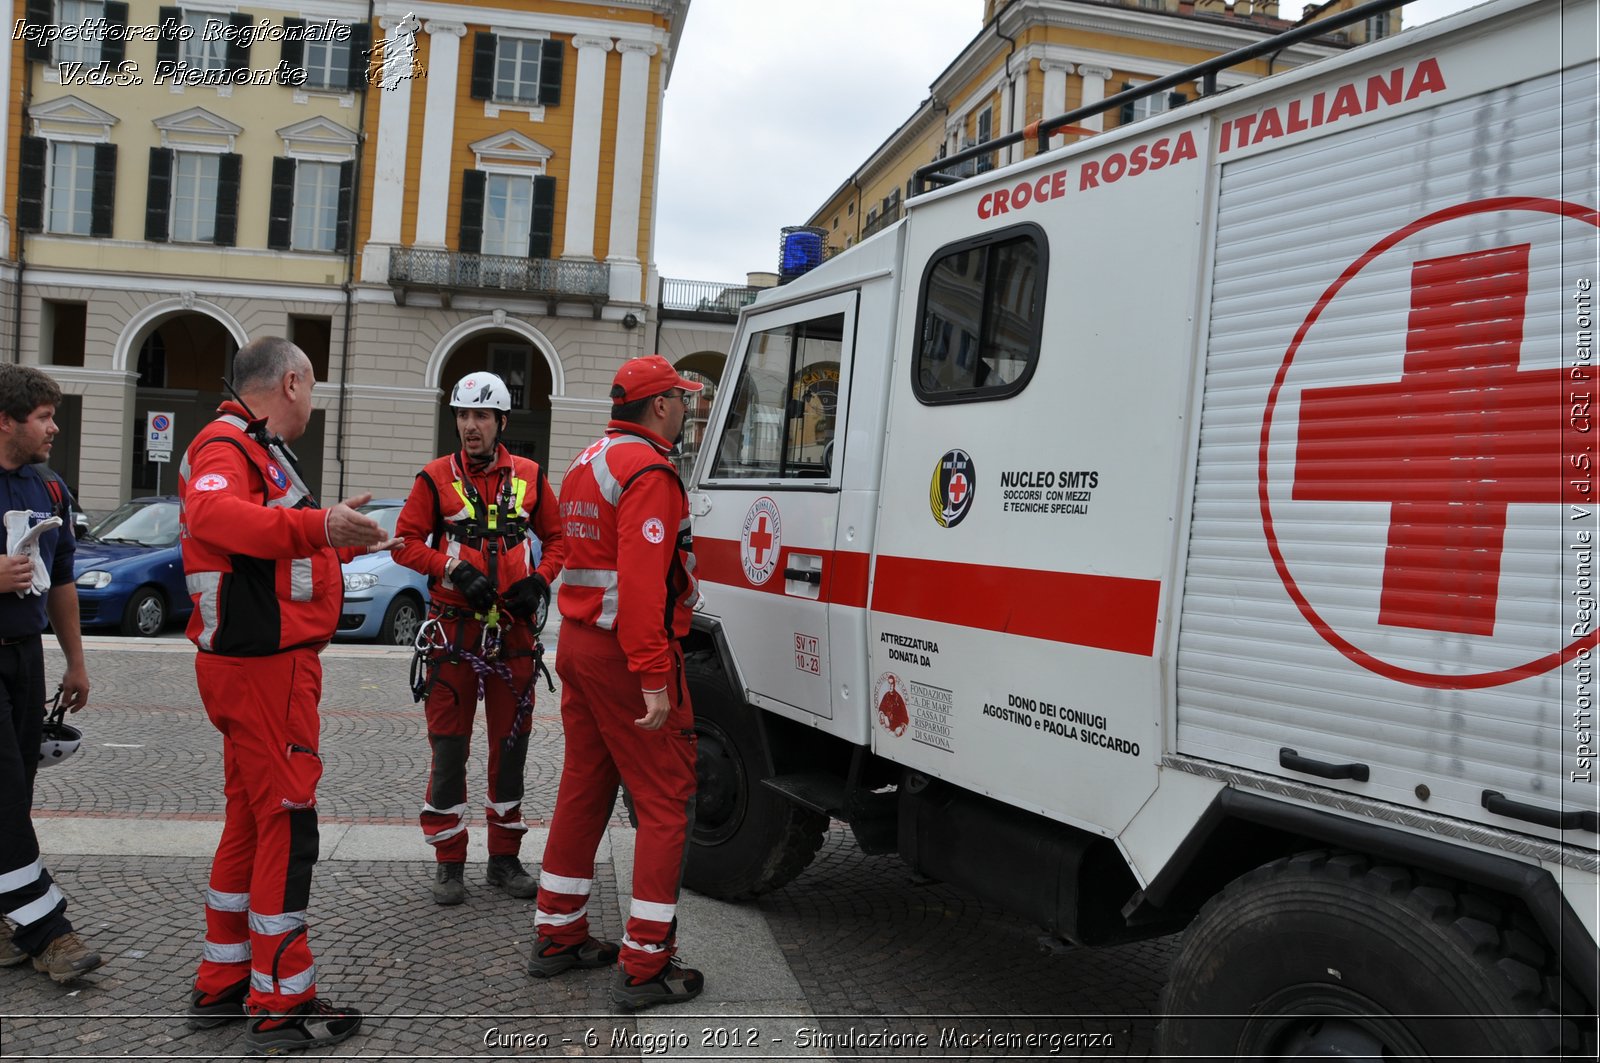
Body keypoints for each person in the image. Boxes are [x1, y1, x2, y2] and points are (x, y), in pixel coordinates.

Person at [178, 337, 387, 1056]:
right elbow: (215, 521)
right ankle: (280, 998)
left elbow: (271, 549)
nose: (313, 398)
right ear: (292, 382)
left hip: (256, 662)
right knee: (287, 822)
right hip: (266, 668)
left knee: (251, 815)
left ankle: (224, 976)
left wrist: (339, 536)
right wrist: (318, 524)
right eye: (313, 386)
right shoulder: (226, 444)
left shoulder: (252, 446)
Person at [531, 354, 705, 1011]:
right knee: (666, 801)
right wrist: (656, 675)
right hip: (625, 655)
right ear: (659, 405)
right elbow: (639, 585)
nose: (687, 408)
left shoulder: (588, 460)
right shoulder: (650, 469)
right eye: (682, 399)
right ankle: (646, 963)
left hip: (579, 645)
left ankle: (558, 930)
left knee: (585, 783)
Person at [393, 370, 566, 905]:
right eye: (463, 415)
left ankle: (504, 860)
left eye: (481, 416)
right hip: (452, 633)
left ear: (501, 422)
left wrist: (539, 581)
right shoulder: (433, 478)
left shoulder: (532, 476)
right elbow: (403, 543)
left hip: (512, 633)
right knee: (449, 749)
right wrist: (450, 568)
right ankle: (449, 860)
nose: (471, 426)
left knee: (510, 749)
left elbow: (560, 540)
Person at [0, 364, 97, 984]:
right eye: (43, 418)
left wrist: (76, 660)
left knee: (19, 789)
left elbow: (61, 581)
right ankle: (48, 932)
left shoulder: (50, 489)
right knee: (5, 792)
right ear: (5, 420)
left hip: (24, 657)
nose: (54, 428)